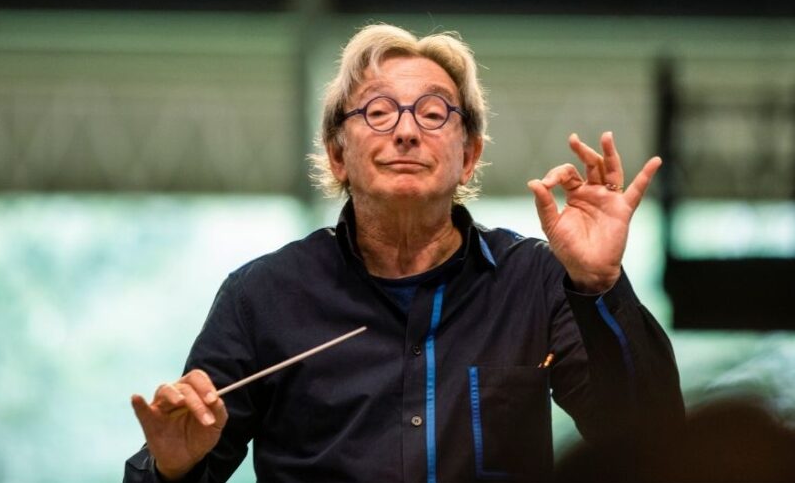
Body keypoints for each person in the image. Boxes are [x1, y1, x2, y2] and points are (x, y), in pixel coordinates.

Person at [124, 24, 684, 482]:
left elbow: (652, 444)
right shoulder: (262, 296)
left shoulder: (535, 280)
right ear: (337, 154)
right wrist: (172, 470)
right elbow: (182, 451)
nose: (407, 132)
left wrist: (599, 282)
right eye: (378, 112)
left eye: (434, 112)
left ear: (469, 157)